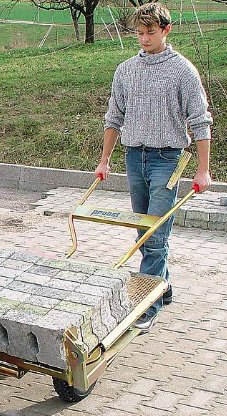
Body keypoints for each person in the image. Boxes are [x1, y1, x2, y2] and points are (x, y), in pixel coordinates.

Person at [95, 2, 212, 333]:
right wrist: (104, 160)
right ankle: (163, 284)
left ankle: (145, 305)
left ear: (166, 30)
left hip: (168, 160)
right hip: (135, 157)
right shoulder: (126, 70)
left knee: (155, 234)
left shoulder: (183, 70)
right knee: (142, 230)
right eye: (139, 33)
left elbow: (201, 121)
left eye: (150, 32)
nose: (144, 39)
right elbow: (114, 117)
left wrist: (202, 169)